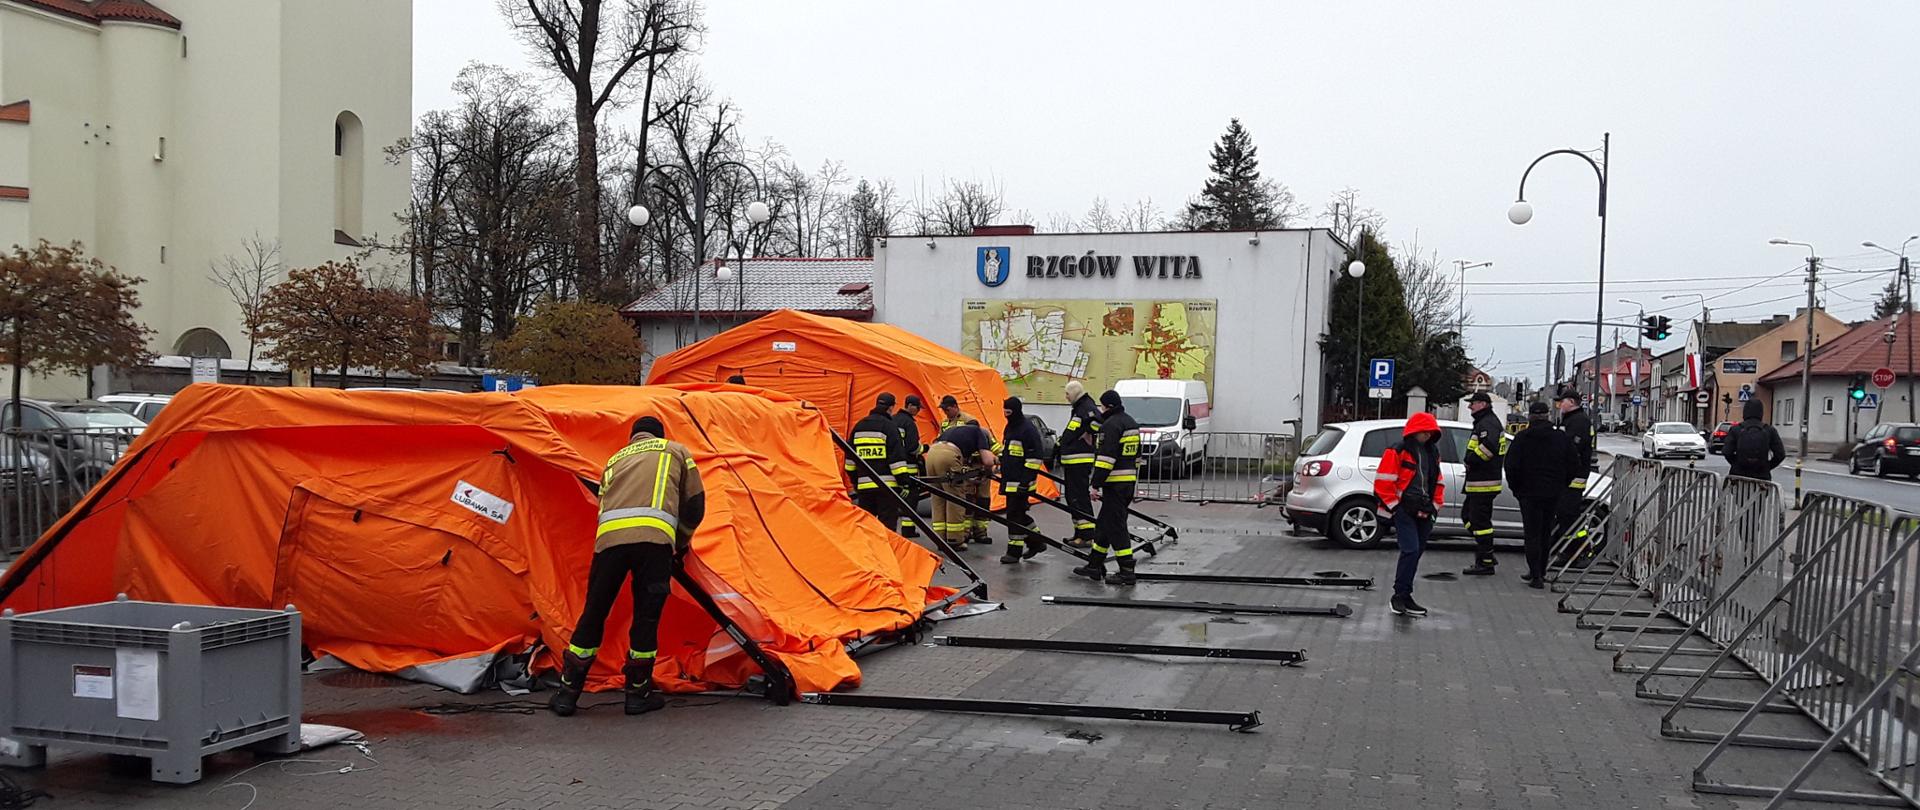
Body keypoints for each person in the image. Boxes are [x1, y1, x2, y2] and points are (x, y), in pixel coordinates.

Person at [551, 416, 706, 717]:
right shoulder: (675, 451)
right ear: (659, 435)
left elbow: (603, 501)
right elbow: (695, 503)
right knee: (646, 617)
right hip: (653, 542)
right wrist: (681, 542)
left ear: (634, 438)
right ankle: (637, 694)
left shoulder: (613, 461)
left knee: (594, 612)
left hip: (608, 544)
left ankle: (567, 694)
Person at [1374, 411, 1445, 617]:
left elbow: (1437, 481)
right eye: (1425, 432)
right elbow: (1383, 482)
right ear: (1416, 431)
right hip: (1404, 509)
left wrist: (1435, 507)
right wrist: (1395, 507)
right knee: (1411, 551)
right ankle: (1399, 595)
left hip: (1424, 509)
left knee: (1416, 552)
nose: (1428, 436)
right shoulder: (1398, 451)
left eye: (1431, 432)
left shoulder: (1432, 453)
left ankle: (1405, 595)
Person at [1071, 390, 1141, 585]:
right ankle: (1094, 565)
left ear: (1107, 406)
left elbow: (1106, 458)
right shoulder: (1131, 423)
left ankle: (1126, 570)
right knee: (1104, 524)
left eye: (1102, 406)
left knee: (1116, 526)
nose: (1100, 410)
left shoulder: (1110, 426)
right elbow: (1137, 456)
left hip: (1114, 483)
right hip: (1127, 482)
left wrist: (1095, 485)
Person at [1504, 402, 1575, 588]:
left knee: (1532, 534)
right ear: (1548, 415)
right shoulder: (1561, 438)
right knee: (1545, 533)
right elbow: (1573, 464)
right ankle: (1542, 571)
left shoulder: (1522, 438)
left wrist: (1517, 489)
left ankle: (1535, 574)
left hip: (1528, 494)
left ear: (1530, 417)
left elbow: (1510, 467)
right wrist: (1562, 485)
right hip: (1552, 493)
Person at [923, 420, 997, 552]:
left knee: (938, 497)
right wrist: (988, 471)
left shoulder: (955, 431)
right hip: (948, 455)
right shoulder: (980, 433)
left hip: (931, 454)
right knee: (955, 498)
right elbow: (987, 461)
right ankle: (955, 540)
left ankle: (940, 538)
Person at [1461, 392, 1508, 576]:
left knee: (1479, 522)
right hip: (1479, 482)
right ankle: (1486, 554)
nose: (1469, 407)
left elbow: (1489, 448)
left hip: (1483, 483)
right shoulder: (1485, 421)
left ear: (1482, 404)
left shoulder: (1487, 423)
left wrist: (1471, 461)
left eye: (1472, 404)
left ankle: (1486, 560)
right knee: (1469, 517)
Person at [998, 396, 1048, 564]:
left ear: (1017, 411)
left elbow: (1035, 458)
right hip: (1010, 481)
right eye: (1004, 411)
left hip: (1021, 483)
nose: (1006, 415)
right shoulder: (1009, 427)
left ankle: (1014, 552)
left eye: (1009, 412)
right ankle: (1037, 542)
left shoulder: (1028, 430)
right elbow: (1008, 451)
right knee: (1018, 514)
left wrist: (1025, 482)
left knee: (1014, 515)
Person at [937, 396, 993, 545]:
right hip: (961, 465)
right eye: (943, 410)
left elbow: (988, 445)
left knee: (983, 499)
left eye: (947, 409)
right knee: (966, 498)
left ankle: (980, 532)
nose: (945, 413)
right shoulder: (944, 424)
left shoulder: (970, 421)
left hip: (978, 464)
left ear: (955, 406)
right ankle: (965, 532)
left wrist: (994, 462)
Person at [845, 393, 906, 532]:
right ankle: (886, 553)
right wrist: (903, 482)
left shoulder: (859, 426)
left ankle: (868, 553)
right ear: (891, 408)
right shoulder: (889, 427)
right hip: (887, 487)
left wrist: (856, 482)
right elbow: (896, 459)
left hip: (864, 489)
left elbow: (849, 461)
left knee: (866, 526)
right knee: (887, 527)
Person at [1552, 388, 1598, 564]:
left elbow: (1572, 449)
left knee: (1569, 514)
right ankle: (1571, 550)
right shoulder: (1571, 420)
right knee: (1566, 515)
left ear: (1571, 402)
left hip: (1574, 476)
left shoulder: (1579, 422)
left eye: (1562, 402)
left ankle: (1581, 550)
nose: (1559, 405)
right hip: (1568, 476)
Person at [1055, 381, 1102, 548]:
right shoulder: (1080, 407)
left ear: (1074, 393)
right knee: (1072, 498)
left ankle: (1087, 535)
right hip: (1073, 460)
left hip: (1079, 460)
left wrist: (1089, 431)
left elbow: (1097, 422)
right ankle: (1079, 532)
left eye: (1067, 394)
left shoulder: (1086, 408)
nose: (1066, 397)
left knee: (1079, 497)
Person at [1723, 399, 1786, 481]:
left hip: (1738, 476)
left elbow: (1727, 452)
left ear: (1745, 412)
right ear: (1761, 413)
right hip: (1762, 478)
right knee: (1760, 494)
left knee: (1739, 493)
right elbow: (1780, 454)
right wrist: (1767, 467)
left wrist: (1736, 464)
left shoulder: (1736, 429)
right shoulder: (1769, 430)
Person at [892, 395, 927, 537]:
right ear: (911, 406)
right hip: (909, 468)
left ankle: (891, 530)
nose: (918, 411)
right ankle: (908, 530)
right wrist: (925, 449)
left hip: (893, 468)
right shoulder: (909, 423)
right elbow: (913, 447)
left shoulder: (892, 420)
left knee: (893, 499)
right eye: (918, 408)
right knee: (911, 500)